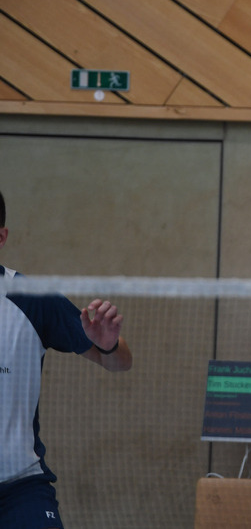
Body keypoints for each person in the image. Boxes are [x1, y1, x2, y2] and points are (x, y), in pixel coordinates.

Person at [0, 189, 133, 529]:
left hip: (19, 487)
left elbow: (120, 362)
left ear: (1, 238)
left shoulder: (31, 299)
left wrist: (107, 346)